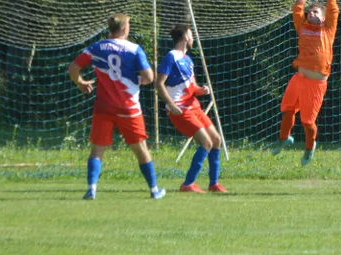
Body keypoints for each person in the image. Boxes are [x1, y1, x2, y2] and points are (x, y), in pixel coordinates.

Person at [68, 13, 165, 200]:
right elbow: (149, 77)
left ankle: (92, 189)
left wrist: (80, 82)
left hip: (103, 106)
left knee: (97, 149)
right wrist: (137, 79)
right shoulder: (134, 49)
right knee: (140, 148)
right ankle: (154, 190)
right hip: (128, 107)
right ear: (124, 29)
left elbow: (73, 67)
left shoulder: (96, 47)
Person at [272, 0, 339, 165]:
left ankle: (310, 148)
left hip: (316, 84)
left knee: (308, 122)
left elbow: (332, 7)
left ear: (325, 17)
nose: (311, 13)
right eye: (310, 12)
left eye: (316, 12)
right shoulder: (302, 26)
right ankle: (284, 139)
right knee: (287, 110)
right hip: (299, 78)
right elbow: (297, 8)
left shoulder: (328, 29)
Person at [155, 23, 226, 194]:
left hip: (194, 106)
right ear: (186, 37)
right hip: (180, 109)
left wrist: (201, 90)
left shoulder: (188, 60)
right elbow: (159, 83)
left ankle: (213, 184)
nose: (193, 37)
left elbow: (191, 86)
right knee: (206, 142)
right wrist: (171, 105)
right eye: (191, 34)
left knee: (216, 140)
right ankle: (188, 184)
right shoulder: (171, 57)